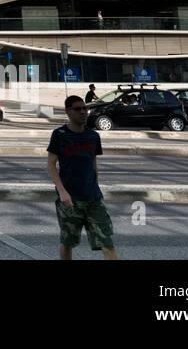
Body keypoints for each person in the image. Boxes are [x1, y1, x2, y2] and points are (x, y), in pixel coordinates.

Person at [48, 95, 118, 260]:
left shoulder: (93, 136)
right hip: (70, 201)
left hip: (93, 199)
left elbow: (93, 164)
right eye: (77, 109)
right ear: (68, 112)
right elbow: (51, 165)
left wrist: (96, 186)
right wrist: (62, 192)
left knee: (107, 243)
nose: (83, 112)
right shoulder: (59, 134)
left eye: (85, 108)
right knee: (68, 242)